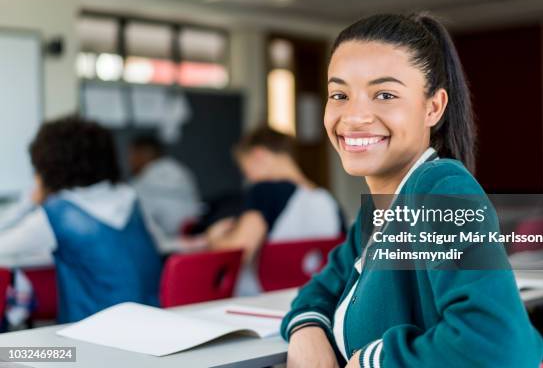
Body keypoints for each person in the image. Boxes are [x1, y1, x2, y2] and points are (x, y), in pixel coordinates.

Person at [281, 13, 543, 367]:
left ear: (433, 107)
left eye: (385, 94)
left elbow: (500, 346)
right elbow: (319, 290)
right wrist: (307, 327)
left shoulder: (440, 189)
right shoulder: (379, 211)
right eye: (339, 94)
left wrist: (372, 361)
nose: (355, 116)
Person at [0, 117, 162, 323]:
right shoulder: (130, 198)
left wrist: (30, 201)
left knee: (10, 353)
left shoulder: (60, 212)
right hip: (152, 325)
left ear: (48, 164)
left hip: (91, 337)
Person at [185, 126, 344, 295]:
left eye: (246, 170)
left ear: (258, 155)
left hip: (260, 299)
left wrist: (214, 239)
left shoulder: (265, 190)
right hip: (315, 299)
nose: (249, 178)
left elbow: (240, 251)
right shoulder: (329, 201)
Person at [129, 134, 202, 251]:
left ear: (141, 154)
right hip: (198, 242)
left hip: (167, 251)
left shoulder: (139, 186)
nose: (130, 160)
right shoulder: (183, 172)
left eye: (132, 154)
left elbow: (152, 238)